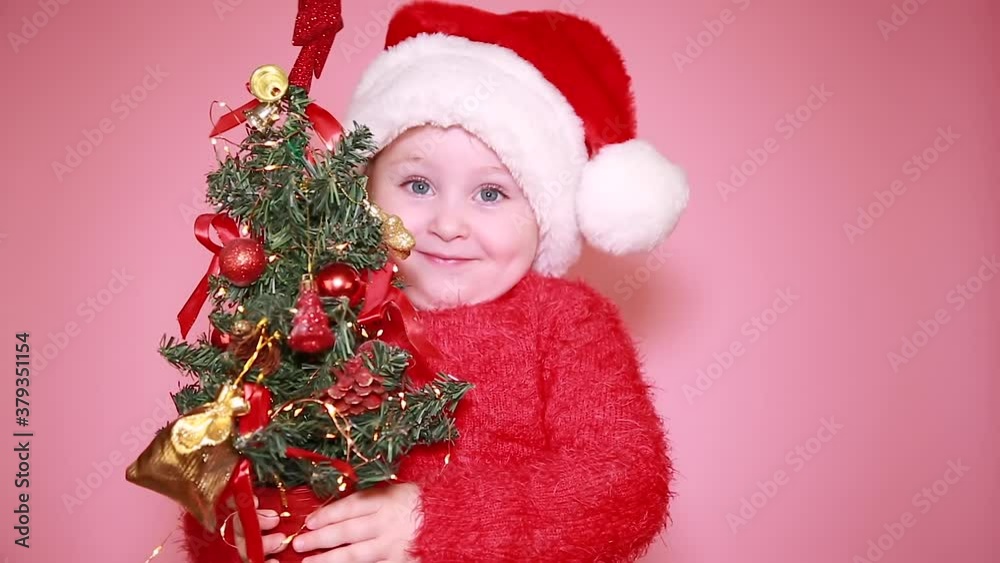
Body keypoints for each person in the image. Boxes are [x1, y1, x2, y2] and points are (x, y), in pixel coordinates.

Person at [191, 1, 689, 561]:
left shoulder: (566, 321)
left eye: (491, 193)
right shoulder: (318, 308)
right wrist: (236, 524)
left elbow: (625, 485)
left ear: (546, 215)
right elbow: (219, 464)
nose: (448, 226)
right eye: (419, 185)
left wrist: (435, 520)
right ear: (364, 188)